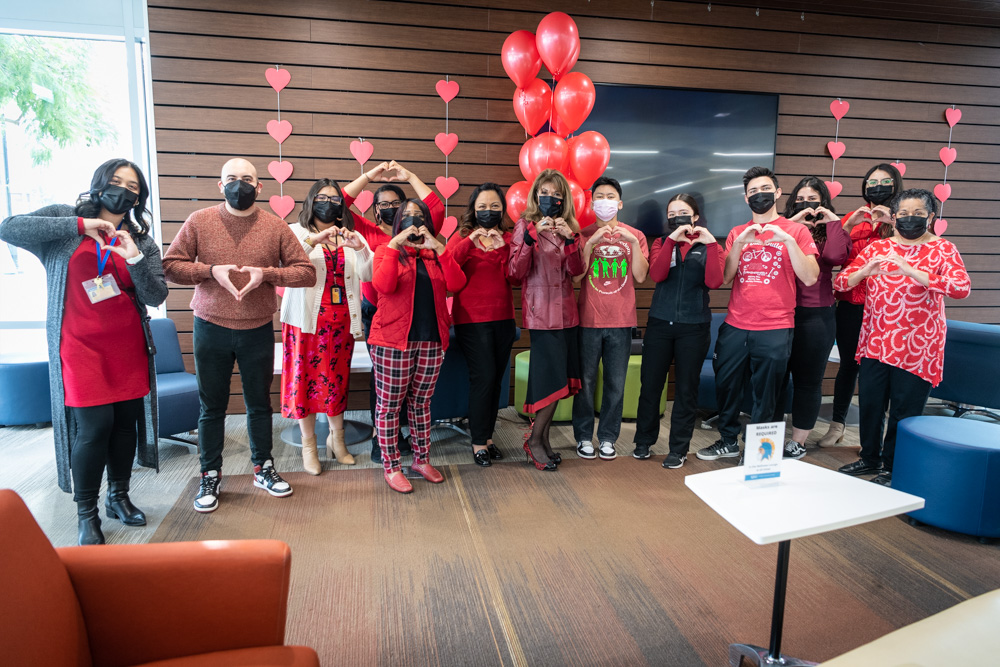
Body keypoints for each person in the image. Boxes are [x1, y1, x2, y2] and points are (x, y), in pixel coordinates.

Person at [0, 159, 168, 545]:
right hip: (78, 348)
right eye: (115, 182)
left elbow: (156, 294)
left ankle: (119, 496)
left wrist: (135, 259)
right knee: (93, 429)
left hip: (127, 346)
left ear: (138, 198)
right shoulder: (65, 222)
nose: (123, 191)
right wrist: (81, 225)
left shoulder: (140, 240)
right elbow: (9, 227)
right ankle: (86, 512)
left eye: (133, 187)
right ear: (98, 185)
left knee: (126, 425)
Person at [162, 158, 316, 513]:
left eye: (247, 179)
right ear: (220, 186)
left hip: (258, 328)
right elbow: (171, 266)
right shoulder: (199, 220)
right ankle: (210, 474)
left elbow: (306, 272)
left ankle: (263, 468)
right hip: (210, 326)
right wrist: (211, 270)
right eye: (231, 179)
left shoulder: (275, 226)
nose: (239, 184)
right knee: (212, 407)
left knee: (259, 405)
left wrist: (267, 274)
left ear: (259, 187)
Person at [834, 188, 970, 486]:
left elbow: (961, 288)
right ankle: (869, 457)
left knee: (904, 412)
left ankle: (893, 468)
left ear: (931, 217)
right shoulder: (877, 248)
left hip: (918, 347)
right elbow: (841, 282)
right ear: (893, 218)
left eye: (918, 214)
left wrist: (912, 270)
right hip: (876, 341)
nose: (910, 220)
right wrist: (864, 271)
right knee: (870, 404)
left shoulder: (943, 249)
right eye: (904, 214)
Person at [697, 166, 819, 462]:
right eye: (753, 192)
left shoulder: (797, 231)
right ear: (745, 198)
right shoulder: (738, 233)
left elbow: (811, 276)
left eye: (765, 189)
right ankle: (728, 440)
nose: (759, 195)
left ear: (777, 193)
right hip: (736, 324)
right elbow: (726, 277)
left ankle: (758, 450)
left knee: (766, 394)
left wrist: (787, 240)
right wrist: (739, 244)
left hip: (776, 326)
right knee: (726, 386)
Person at [342, 161, 443, 464]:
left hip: (415, 315)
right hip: (377, 312)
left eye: (395, 204)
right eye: (382, 204)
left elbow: (434, 207)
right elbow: (342, 203)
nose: (389, 209)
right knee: (384, 382)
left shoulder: (421, 235)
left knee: (411, 386)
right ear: (375, 211)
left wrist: (410, 176)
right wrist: (370, 175)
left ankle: (407, 437)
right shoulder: (370, 231)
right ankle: (382, 437)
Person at [369, 199, 466, 493]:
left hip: (432, 341)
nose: (413, 219)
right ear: (398, 221)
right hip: (392, 342)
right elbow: (383, 287)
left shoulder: (435, 254)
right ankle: (392, 466)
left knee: (422, 404)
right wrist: (394, 245)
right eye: (406, 215)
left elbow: (457, 283)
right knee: (389, 408)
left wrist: (439, 248)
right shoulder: (385, 252)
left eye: (419, 215)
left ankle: (421, 460)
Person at [279, 178, 373, 474]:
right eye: (322, 197)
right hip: (305, 322)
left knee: (336, 382)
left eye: (334, 199)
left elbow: (369, 276)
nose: (328, 203)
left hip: (340, 322)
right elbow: (286, 270)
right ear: (310, 201)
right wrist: (314, 241)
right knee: (304, 382)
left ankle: (337, 440)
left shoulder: (352, 234)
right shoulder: (295, 232)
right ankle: (310, 446)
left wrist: (359, 250)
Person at [634, 194, 724, 469]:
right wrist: (673, 238)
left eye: (683, 212)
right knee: (650, 386)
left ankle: (679, 448)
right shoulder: (662, 243)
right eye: (672, 214)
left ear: (695, 216)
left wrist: (708, 244)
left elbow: (715, 281)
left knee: (686, 390)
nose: (677, 217)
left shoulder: (712, 246)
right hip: (660, 324)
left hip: (694, 328)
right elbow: (657, 275)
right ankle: (643, 441)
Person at [818, 164, 902, 447]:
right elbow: (836, 256)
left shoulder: (902, 219)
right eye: (872, 181)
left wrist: (892, 220)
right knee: (849, 366)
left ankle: (882, 432)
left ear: (895, 185)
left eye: (884, 181)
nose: (877, 186)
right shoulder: (853, 218)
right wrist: (848, 225)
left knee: (882, 369)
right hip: (851, 302)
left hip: (888, 305)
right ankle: (838, 424)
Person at [508, 169, 585, 470]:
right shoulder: (524, 226)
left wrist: (571, 239)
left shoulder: (570, 227)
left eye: (556, 194)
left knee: (561, 381)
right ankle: (534, 440)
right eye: (545, 192)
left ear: (563, 198)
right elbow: (514, 273)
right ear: (535, 195)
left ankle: (543, 439)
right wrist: (529, 237)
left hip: (567, 313)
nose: (550, 199)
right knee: (549, 382)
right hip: (541, 314)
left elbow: (576, 271)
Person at [771, 177, 852, 458]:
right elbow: (771, 254)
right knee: (776, 379)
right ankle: (770, 437)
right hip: (780, 312)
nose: (807, 205)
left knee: (808, 380)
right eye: (801, 200)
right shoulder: (781, 228)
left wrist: (832, 222)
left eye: (814, 200)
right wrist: (792, 224)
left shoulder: (834, 230)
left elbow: (834, 257)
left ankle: (798, 441)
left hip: (817, 315)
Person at [573, 176, 649, 461]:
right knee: (586, 383)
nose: (604, 201)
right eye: (599, 196)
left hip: (621, 320)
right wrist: (590, 243)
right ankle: (583, 437)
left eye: (610, 196)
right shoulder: (582, 234)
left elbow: (641, 276)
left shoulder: (635, 235)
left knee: (616, 384)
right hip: (588, 320)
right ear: (593, 203)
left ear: (619, 203)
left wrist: (631, 242)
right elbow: (576, 277)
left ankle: (607, 438)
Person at [447, 183, 517, 467]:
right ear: (473, 210)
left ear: (502, 210)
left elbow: (516, 278)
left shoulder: (511, 238)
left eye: (494, 207)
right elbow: (448, 275)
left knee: (496, 380)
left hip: (504, 318)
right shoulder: (461, 236)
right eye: (483, 207)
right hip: (471, 320)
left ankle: (488, 438)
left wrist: (502, 249)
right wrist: (469, 242)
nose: (489, 212)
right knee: (483, 378)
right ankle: (478, 442)